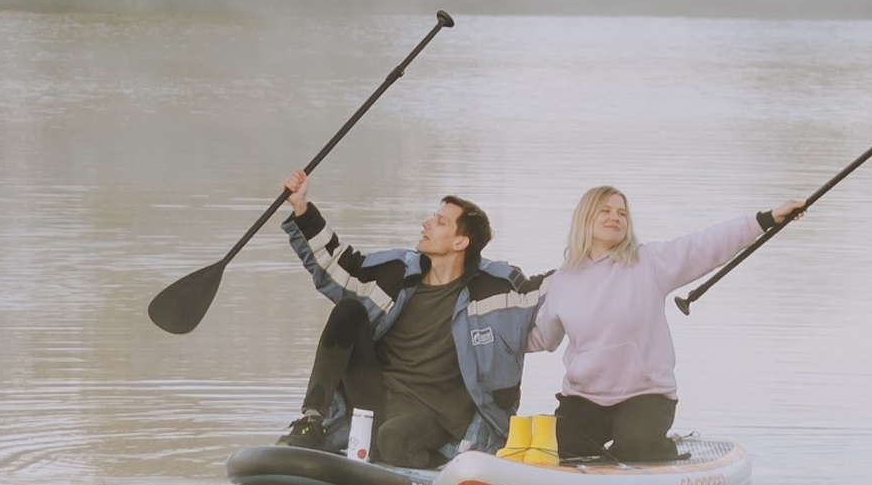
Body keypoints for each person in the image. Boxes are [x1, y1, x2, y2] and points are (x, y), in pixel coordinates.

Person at [274, 172, 544, 467]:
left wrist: (598, 255)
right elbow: (338, 267)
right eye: (432, 217)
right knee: (348, 311)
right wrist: (301, 208)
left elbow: (556, 291)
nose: (426, 224)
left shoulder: (494, 289)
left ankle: (436, 462)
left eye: (441, 222)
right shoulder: (397, 274)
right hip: (376, 397)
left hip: (435, 414)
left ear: (460, 242)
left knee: (393, 439)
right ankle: (312, 420)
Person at [530, 180, 805, 463]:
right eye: (605, 211)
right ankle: (606, 459)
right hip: (585, 397)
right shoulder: (564, 279)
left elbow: (704, 245)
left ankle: (658, 450)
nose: (615, 217)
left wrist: (766, 220)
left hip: (645, 394)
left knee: (636, 447)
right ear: (585, 219)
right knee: (561, 450)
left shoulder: (647, 263)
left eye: (622, 213)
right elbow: (542, 337)